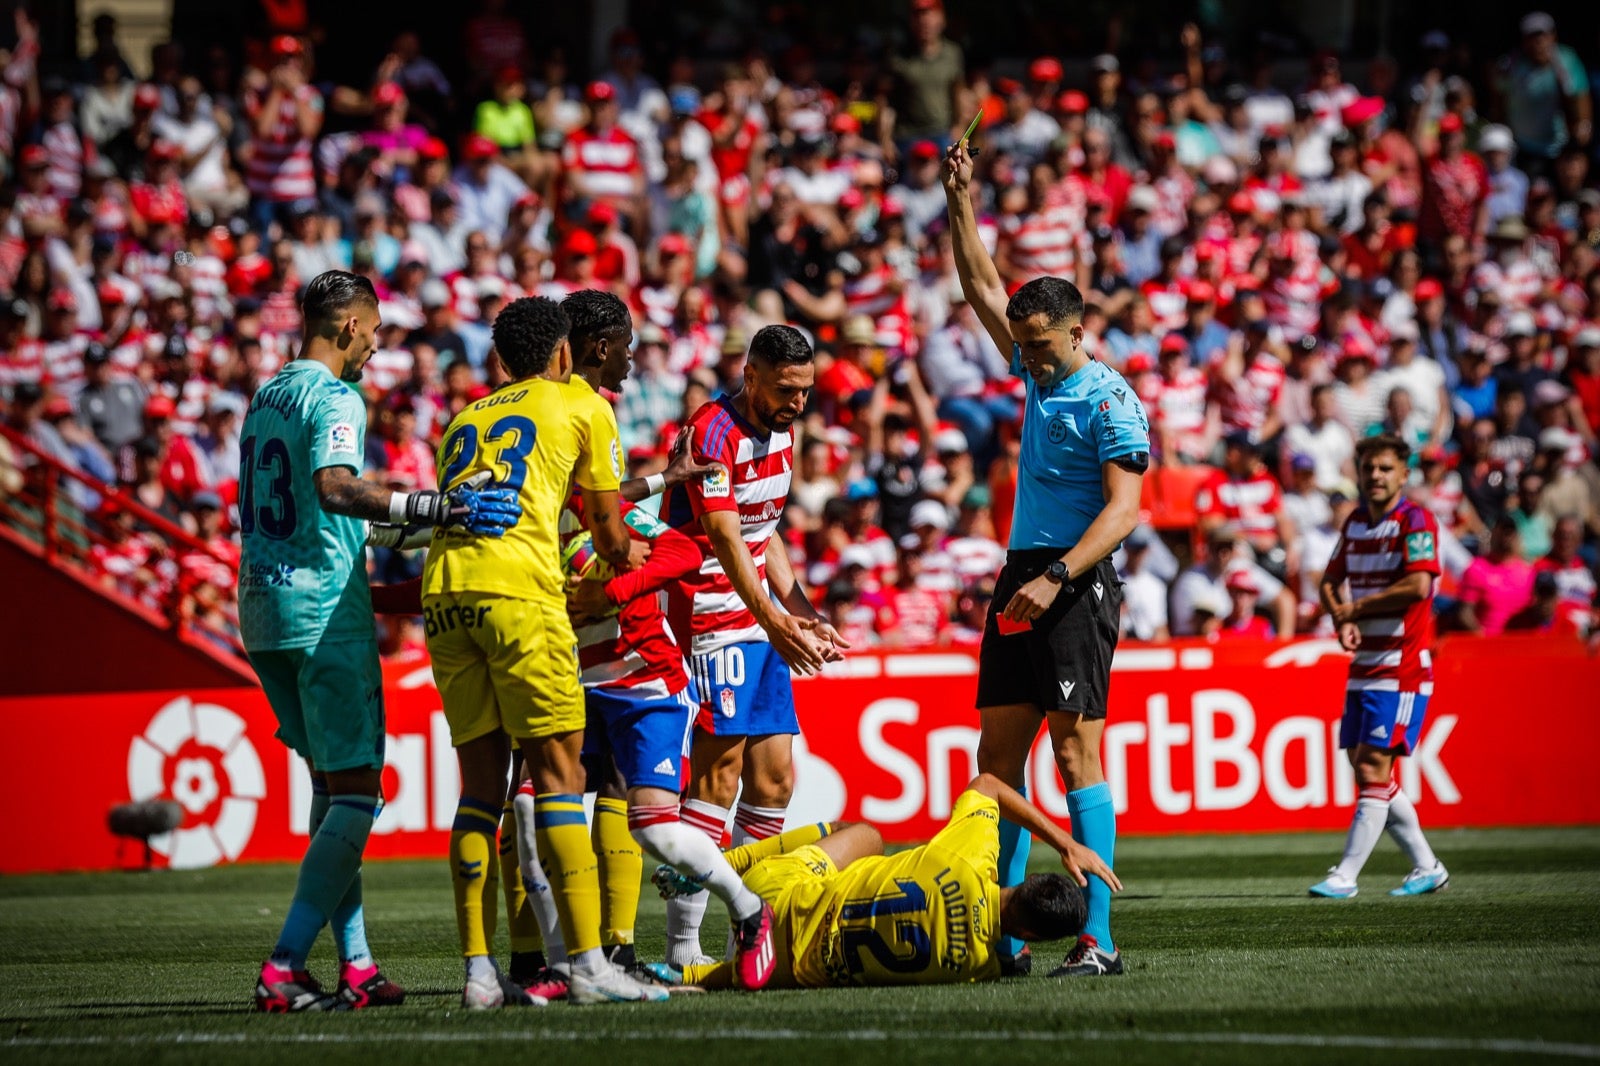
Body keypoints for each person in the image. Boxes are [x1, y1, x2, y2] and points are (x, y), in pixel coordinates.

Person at [242, 271, 520, 1012]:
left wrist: (413, 507)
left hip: (262, 609)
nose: (374, 344)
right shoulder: (335, 396)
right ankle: (283, 968)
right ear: (345, 327)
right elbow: (337, 488)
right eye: (371, 330)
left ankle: (357, 965)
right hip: (322, 614)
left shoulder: (266, 395)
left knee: (332, 790)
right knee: (361, 792)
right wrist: (436, 504)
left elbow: (319, 499)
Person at [420, 295, 669, 1007]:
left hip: (448, 597)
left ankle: (477, 972)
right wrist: (617, 572)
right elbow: (608, 528)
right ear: (565, 352)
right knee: (560, 780)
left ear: (501, 359)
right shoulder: (582, 405)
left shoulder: (465, 418)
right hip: (521, 597)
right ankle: (590, 964)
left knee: (480, 794)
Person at [943, 139, 1149, 977]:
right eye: (1020, 345)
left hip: (1073, 578)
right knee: (997, 761)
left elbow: (1127, 509)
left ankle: (1097, 938)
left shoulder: (1110, 398)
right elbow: (983, 288)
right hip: (1021, 572)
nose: (1024, 356)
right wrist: (960, 200)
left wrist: (1057, 575)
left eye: (1037, 344)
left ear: (1077, 329)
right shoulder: (1039, 371)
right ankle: (1008, 934)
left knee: (1073, 756)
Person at [553, 289, 778, 994]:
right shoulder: (583, 415)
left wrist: (611, 586)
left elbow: (639, 525)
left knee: (635, 813)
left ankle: (707, 923)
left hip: (637, 671)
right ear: (597, 347)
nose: (633, 358)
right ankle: (567, 963)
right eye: (624, 345)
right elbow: (610, 504)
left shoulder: (565, 424)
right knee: (535, 811)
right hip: (591, 664)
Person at [658, 325, 849, 967]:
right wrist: (772, 621)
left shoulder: (785, 430)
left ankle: (753, 926)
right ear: (752, 376)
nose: (799, 402)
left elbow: (765, 533)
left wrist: (803, 613)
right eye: (787, 389)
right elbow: (724, 539)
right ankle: (684, 946)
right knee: (719, 773)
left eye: (806, 390)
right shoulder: (712, 432)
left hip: (760, 616)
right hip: (710, 615)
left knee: (775, 780)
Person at [649, 773, 1120, 990]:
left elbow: (990, 785)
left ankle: (728, 861)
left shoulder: (969, 856)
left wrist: (1063, 842)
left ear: (1029, 879)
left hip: (776, 892)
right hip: (778, 965)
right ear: (1030, 935)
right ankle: (684, 974)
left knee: (867, 836)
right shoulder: (977, 968)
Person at [1310, 435, 1448, 900]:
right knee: (1368, 768)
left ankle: (1345, 875)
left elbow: (1418, 586)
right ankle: (1427, 866)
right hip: (1364, 663)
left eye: (1386, 469)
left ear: (1404, 474)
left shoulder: (1415, 520)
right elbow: (1330, 581)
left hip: (1402, 666)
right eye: (1369, 468)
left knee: (1372, 766)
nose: (1376, 476)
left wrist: (1356, 610)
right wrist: (1339, 615)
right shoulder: (1355, 523)